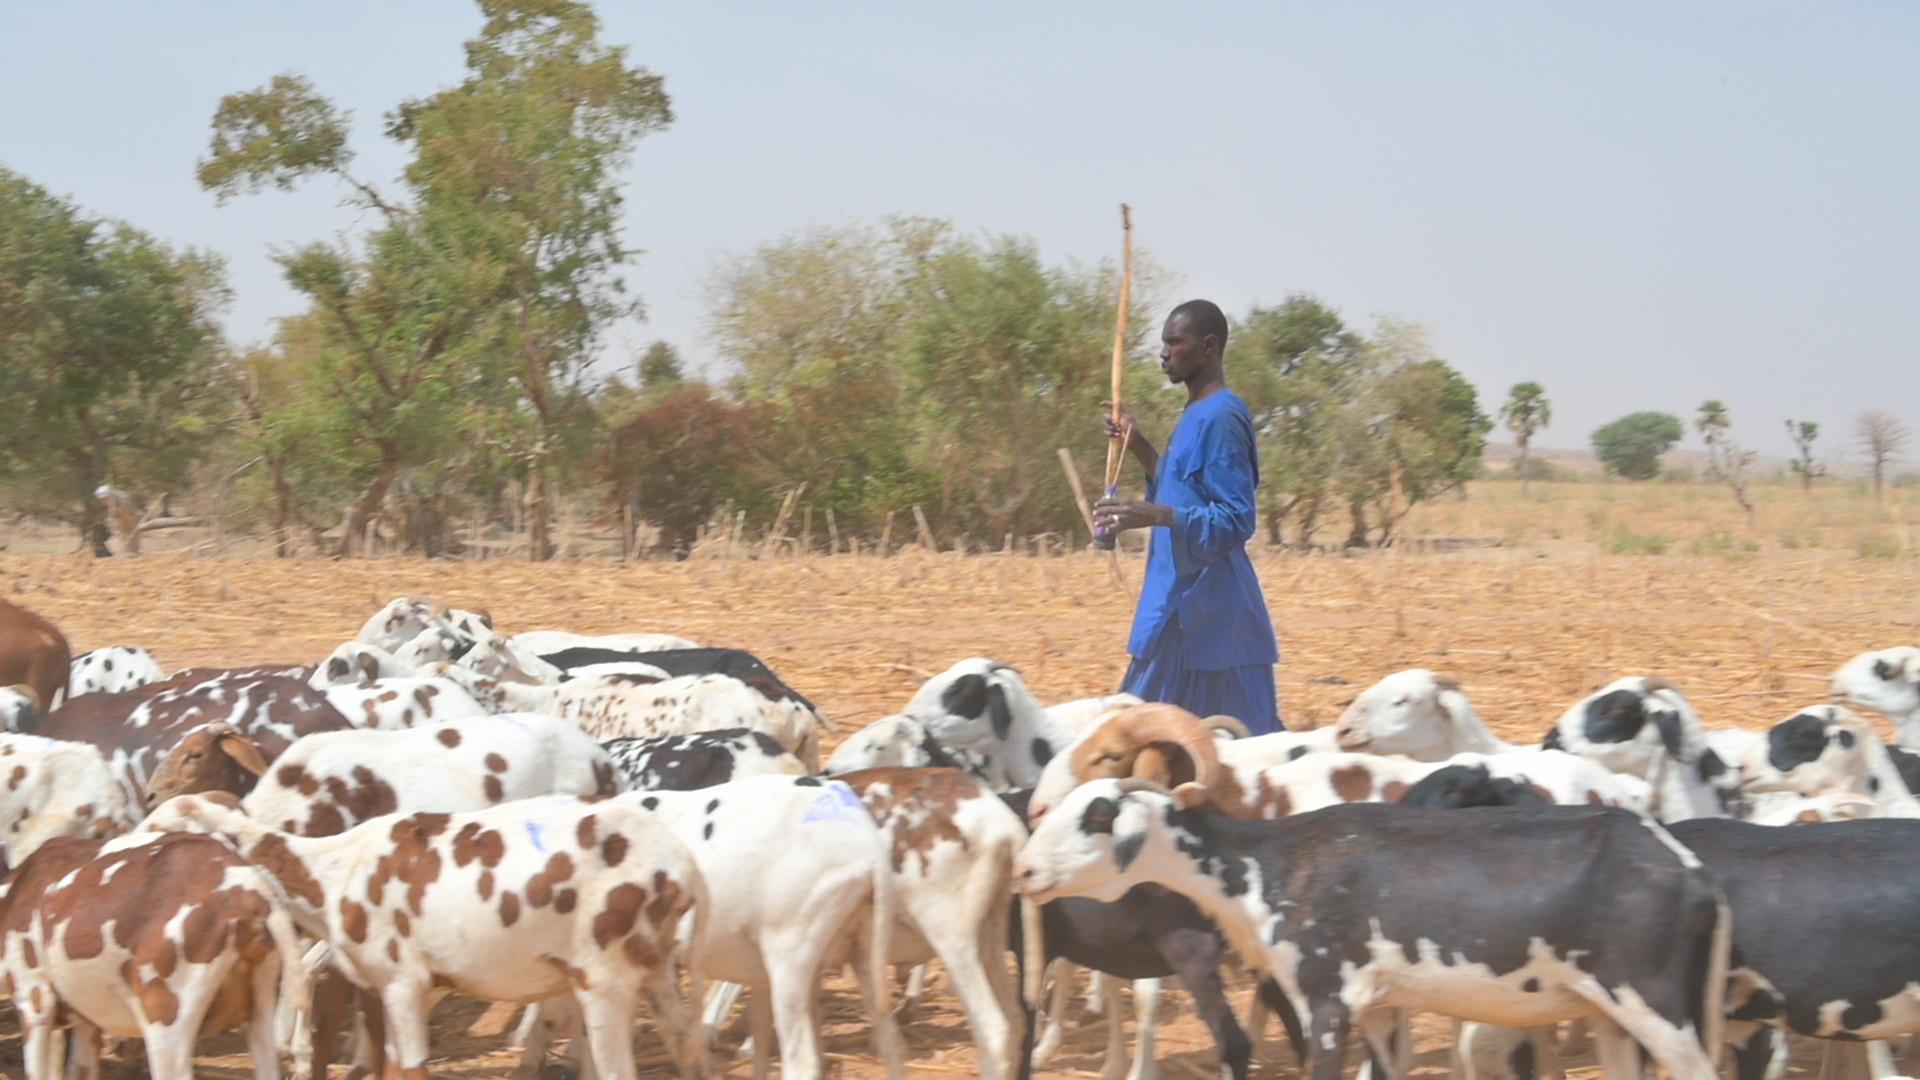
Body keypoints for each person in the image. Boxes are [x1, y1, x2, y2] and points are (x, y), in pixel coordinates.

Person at [1092, 299, 1281, 734]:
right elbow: (1182, 490)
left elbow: (1236, 519)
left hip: (1211, 620)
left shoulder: (1222, 417)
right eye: (1163, 343)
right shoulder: (1196, 413)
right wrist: (1138, 446)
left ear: (1208, 346)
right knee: (1149, 747)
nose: (1163, 354)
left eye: (1174, 342)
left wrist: (1157, 515)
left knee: (1240, 754)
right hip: (1175, 608)